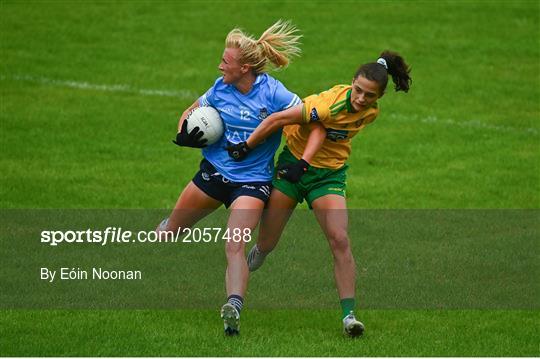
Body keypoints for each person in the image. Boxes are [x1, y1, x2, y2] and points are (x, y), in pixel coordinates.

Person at [226, 50, 412, 337]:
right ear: (352, 83)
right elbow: (277, 119)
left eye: (369, 95)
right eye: (358, 91)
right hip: (292, 168)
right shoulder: (324, 107)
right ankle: (245, 271)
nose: (361, 99)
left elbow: (332, 138)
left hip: (328, 176)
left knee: (339, 238)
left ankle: (349, 317)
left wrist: (311, 165)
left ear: (379, 98)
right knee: (266, 243)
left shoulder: (371, 113)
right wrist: (247, 147)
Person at [157, 20, 303, 336]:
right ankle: (163, 230)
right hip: (213, 174)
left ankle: (233, 307)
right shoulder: (220, 87)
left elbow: (303, 114)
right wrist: (183, 132)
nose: (220, 65)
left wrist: (292, 147)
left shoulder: (274, 93)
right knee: (170, 231)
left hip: (252, 183)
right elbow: (191, 109)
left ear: (245, 67)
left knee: (234, 244)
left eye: (226, 61)